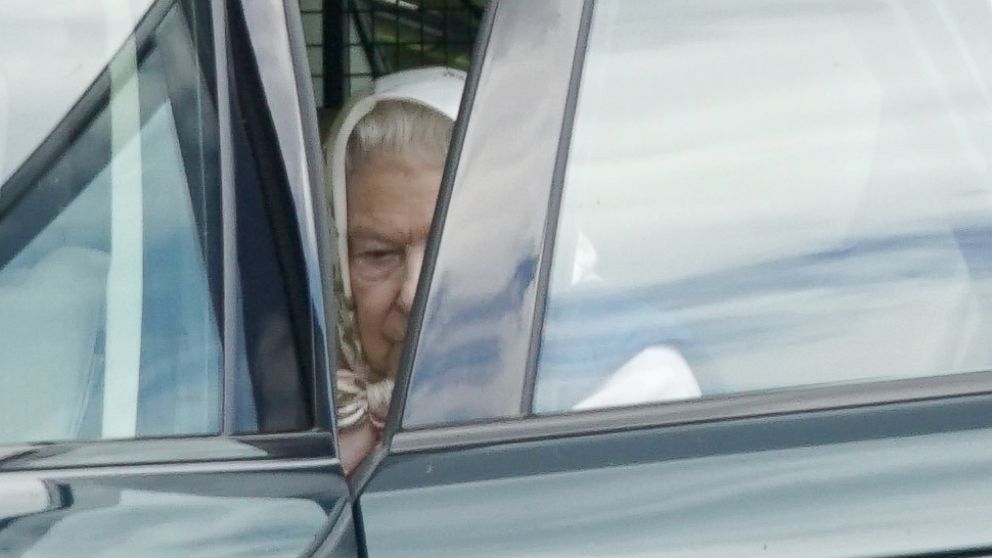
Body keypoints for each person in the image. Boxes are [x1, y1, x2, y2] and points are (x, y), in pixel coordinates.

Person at [326, 67, 464, 475]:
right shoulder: (276, 416)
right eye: (379, 254)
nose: (411, 296)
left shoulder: (608, 389)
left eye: (446, 248)